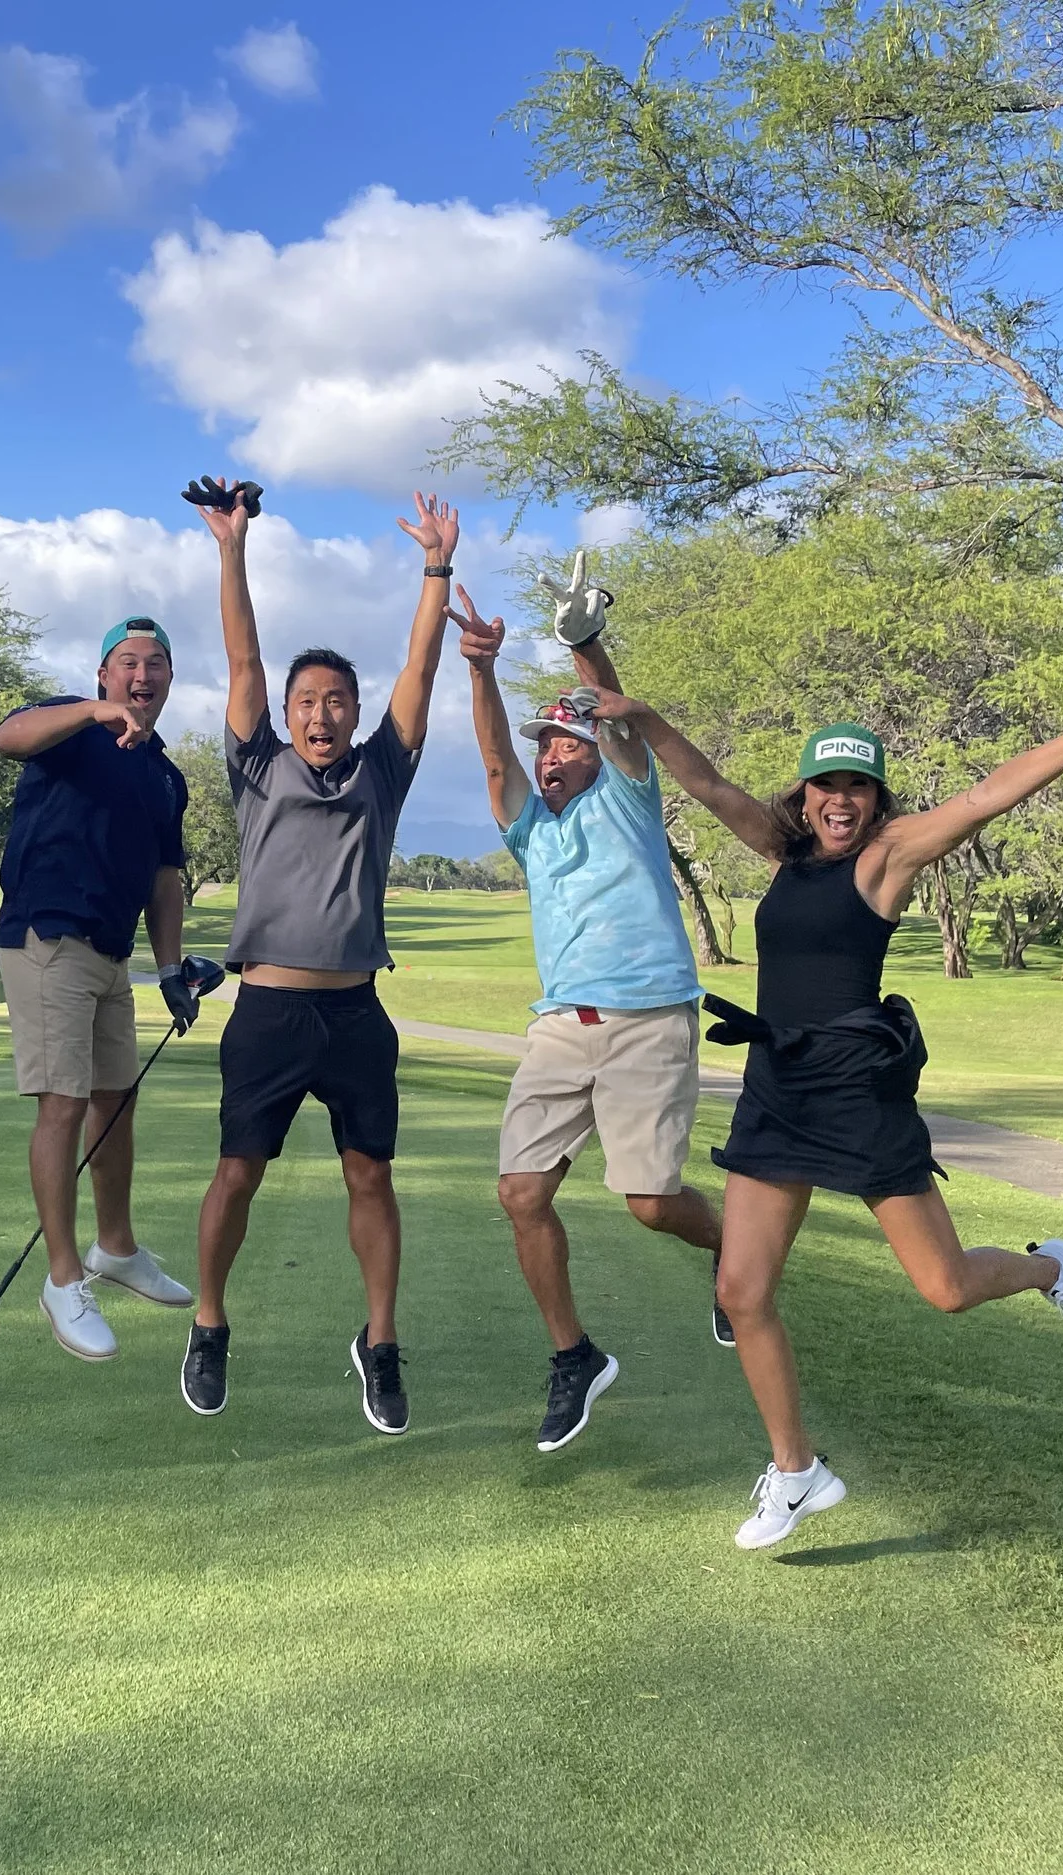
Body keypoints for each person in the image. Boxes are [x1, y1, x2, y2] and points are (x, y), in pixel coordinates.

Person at [589, 668, 1063, 1547]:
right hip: (779, 1091)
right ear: (805, 793)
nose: (840, 800)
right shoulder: (782, 852)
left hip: (859, 1094)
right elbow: (707, 782)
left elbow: (988, 795)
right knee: (741, 1289)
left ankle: (1054, 1270)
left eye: (857, 785)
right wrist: (641, 710)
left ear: (876, 799)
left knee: (945, 1289)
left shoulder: (889, 857)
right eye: (826, 785)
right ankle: (797, 1471)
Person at [181, 479, 458, 1434]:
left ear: (354, 712)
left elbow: (421, 670)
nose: (323, 713)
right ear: (288, 713)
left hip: (354, 1017)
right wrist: (232, 546)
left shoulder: (383, 770)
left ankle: (379, 1342)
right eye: (309, 700)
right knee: (237, 1175)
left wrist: (434, 568)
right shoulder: (258, 766)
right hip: (267, 1012)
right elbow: (242, 653)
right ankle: (210, 1324)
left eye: (338, 700)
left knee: (370, 1177)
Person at [451, 561, 728, 1460]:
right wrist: (482, 670)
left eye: (564, 742)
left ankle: (732, 1255)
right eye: (547, 746)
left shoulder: (627, 794)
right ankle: (575, 1355)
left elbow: (618, 716)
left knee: (650, 1202)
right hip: (560, 1026)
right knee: (520, 1191)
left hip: (651, 1018)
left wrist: (584, 649)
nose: (550, 753)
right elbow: (495, 756)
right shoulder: (533, 829)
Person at [0, 614, 205, 1360]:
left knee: (116, 1099)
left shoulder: (166, 776)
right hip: (48, 935)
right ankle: (62, 1277)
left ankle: (116, 1247)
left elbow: (164, 881)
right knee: (65, 1101)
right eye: (127, 663)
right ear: (104, 674)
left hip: (112, 955)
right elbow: (5, 736)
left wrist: (172, 969)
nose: (142, 675)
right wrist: (89, 711)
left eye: (156, 664)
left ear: (171, 680)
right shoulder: (70, 730)